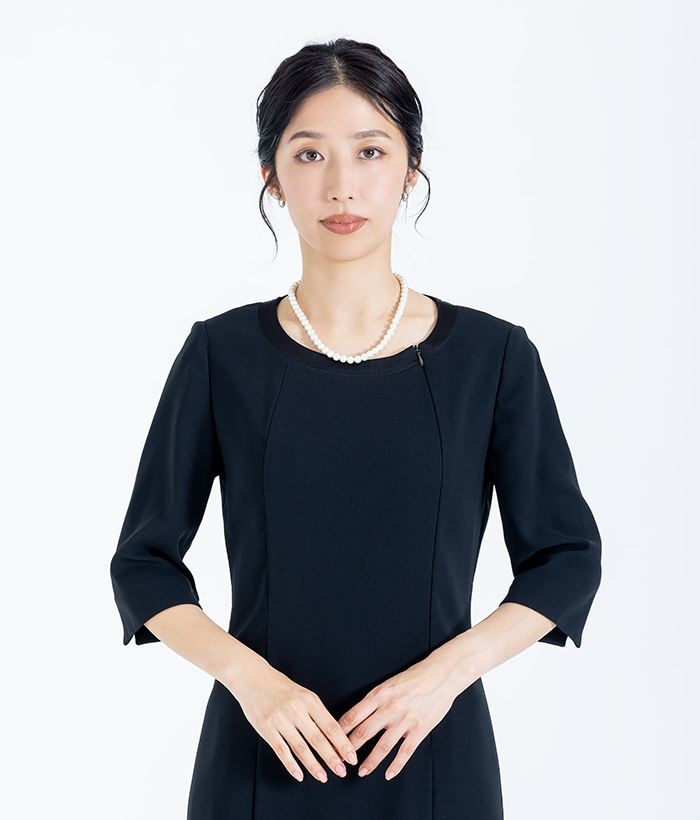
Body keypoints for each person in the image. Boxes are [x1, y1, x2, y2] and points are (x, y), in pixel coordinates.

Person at [110, 38, 602, 820]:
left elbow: (566, 558)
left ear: (411, 171)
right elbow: (143, 565)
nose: (341, 184)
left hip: (432, 757)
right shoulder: (220, 355)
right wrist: (252, 682)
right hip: (260, 756)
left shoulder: (493, 357)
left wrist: (445, 677)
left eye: (370, 151)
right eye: (309, 154)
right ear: (272, 177)